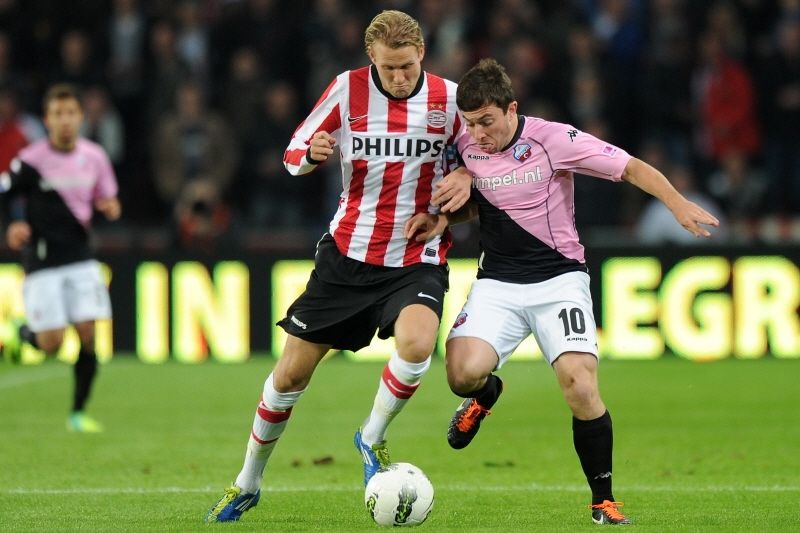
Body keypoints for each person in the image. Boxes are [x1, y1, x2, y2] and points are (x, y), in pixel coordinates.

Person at [406, 59, 720, 525]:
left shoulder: (554, 140)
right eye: (469, 123)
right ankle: (485, 395)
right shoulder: (466, 146)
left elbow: (629, 167)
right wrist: (444, 218)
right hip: (498, 282)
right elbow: (478, 200)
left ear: (512, 109)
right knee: (461, 375)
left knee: (580, 385)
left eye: (486, 121)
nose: (477, 133)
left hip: (559, 282)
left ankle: (603, 501)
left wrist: (675, 203)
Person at [206, 10, 465, 523]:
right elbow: (292, 153)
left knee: (417, 344)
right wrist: (312, 153)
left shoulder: (450, 99)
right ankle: (248, 481)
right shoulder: (347, 90)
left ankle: (371, 437)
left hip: (415, 257)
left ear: (422, 54)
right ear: (371, 58)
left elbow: (486, 159)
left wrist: (467, 183)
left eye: (408, 67)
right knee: (289, 377)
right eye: (389, 68)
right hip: (347, 259)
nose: (399, 78)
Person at [0, 83, 121, 433]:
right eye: (58, 114)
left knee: (88, 333)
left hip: (82, 257)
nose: (65, 120)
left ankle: (78, 413)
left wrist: (110, 206)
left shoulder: (94, 156)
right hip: (42, 260)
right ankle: (24, 332)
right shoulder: (30, 160)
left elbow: (107, 196)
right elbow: (5, 194)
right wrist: (13, 224)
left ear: (81, 118)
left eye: (70, 113)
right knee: (52, 345)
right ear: (47, 119)